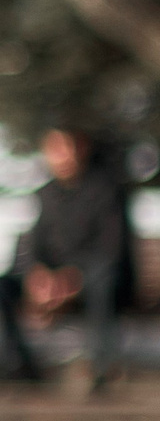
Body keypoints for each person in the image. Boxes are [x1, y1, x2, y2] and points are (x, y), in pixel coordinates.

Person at [0, 126, 133, 390]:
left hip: (97, 280)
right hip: (55, 282)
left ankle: (102, 367)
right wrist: (36, 276)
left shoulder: (106, 191)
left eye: (66, 148)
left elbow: (112, 249)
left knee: (101, 281)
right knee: (2, 287)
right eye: (54, 149)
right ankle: (17, 366)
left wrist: (73, 278)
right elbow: (35, 246)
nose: (61, 156)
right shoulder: (46, 194)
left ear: (81, 149)